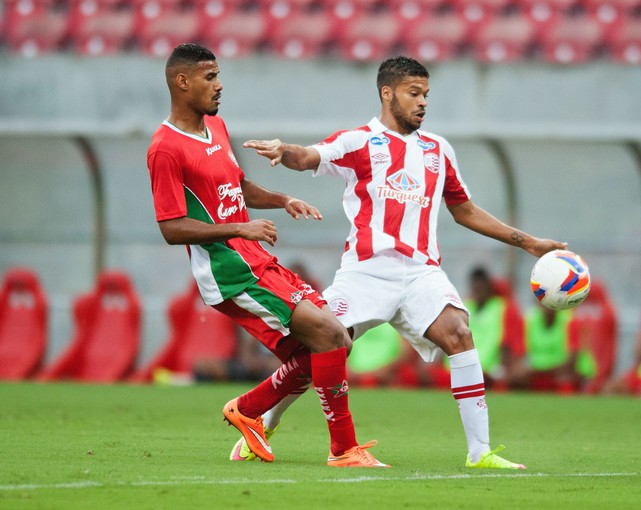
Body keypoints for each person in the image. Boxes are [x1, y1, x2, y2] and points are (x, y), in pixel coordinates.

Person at [241, 55, 567, 469]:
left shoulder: (437, 149)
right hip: (366, 271)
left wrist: (529, 243)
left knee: (459, 333)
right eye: (414, 93)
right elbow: (308, 156)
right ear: (387, 92)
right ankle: (263, 423)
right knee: (320, 349)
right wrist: (283, 149)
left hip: (420, 274)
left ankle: (480, 453)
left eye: (426, 94)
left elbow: (463, 210)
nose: (422, 102)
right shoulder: (359, 141)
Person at [146, 43, 387, 468]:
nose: (219, 86)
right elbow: (170, 228)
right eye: (209, 77)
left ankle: (249, 409)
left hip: (255, 258)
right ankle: (343, 450)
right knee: (329, 335)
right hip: (229, 272)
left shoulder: (215, 129)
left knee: (333, 344)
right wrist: (239, 227)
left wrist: (282, 199)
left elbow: (237, 187)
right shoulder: (165, 148)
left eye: (218, 75)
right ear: (182, 82)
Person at [461, 267, 525, 391]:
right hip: (462, 368)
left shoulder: (504, 308)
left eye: (481, 287)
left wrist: (506, 368)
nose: (479, 290)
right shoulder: (464, 307)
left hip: (491, 371)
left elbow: (508, 343)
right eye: (476, 287)